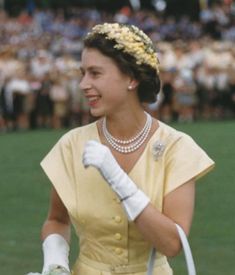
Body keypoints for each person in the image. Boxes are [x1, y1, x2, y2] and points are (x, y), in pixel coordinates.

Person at [27, 23, 215, 275]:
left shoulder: (176, 147)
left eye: (95, 73)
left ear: (132, 78)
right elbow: (57, 220)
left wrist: (117, 179)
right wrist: (55, 263)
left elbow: (172, 243)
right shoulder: (71, 145)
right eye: (82, 73)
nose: (83, 84)